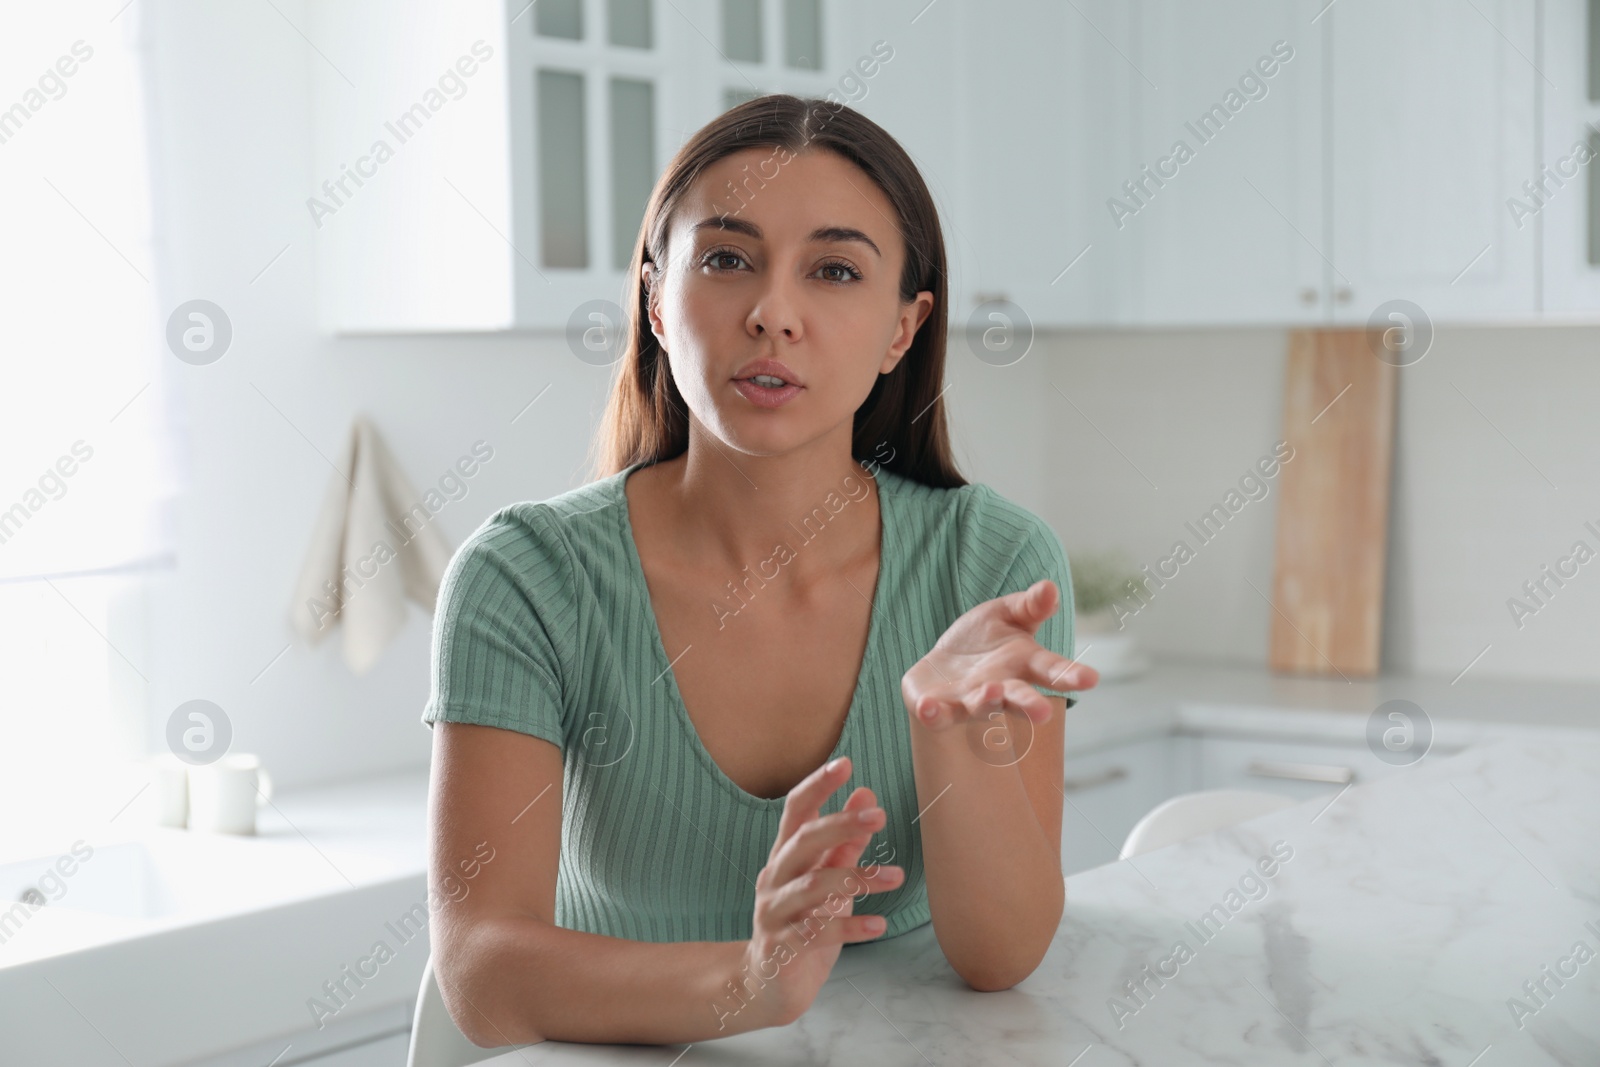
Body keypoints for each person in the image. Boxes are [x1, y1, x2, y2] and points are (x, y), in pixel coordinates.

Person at [421, 92, 1099, 1048]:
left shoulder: (992, 564)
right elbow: (482, 972)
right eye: (728, 259)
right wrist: (748, 980)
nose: (774, 314)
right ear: (658, 300)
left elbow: (1001, 957)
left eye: (833, 271)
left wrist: (950, 735)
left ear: (903, 328)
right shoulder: (525, 578)